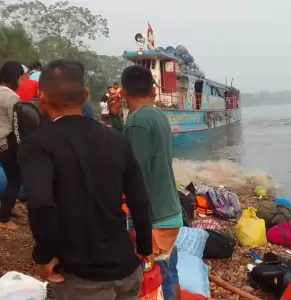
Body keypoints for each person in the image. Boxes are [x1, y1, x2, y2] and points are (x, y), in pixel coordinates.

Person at [17, 59, 153, 299]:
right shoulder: (115, 139)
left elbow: (41, 203)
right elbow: (140, 199)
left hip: (81, 280)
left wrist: (44, 256)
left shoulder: (38, 144)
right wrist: (144, 247)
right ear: (86, 95)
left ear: (42, 98)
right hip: (127, 272)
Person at [122, 65, 182, 300]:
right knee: (171, 275)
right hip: (171, 211)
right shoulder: (158, 115)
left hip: (155, 219)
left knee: (157, 281)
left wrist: (137, 225)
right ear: (153, 90)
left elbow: (139, 178)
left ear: (124, 90)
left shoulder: (137, 122)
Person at [0, 61, 27, 230]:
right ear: (13, 78)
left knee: (10, 179)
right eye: (21, 78)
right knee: (15, 179)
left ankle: (7, 208)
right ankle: (3, 218)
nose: (22, 82)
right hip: (5, 142)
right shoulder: (11, 97)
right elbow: (17, 124)